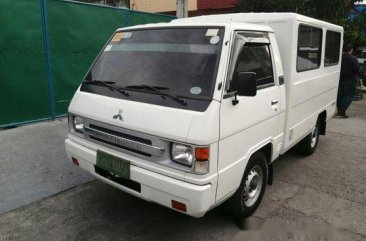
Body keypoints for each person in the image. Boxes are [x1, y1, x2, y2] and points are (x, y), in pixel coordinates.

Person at [336, 44, 360, 118]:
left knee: (340, 95)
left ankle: (339, 110)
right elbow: (357, 69)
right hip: (350, 80)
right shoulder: (353, 58)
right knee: (349, 96)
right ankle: (341, 111)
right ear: (351, 50)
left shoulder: (339, 58)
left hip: (340, 79)